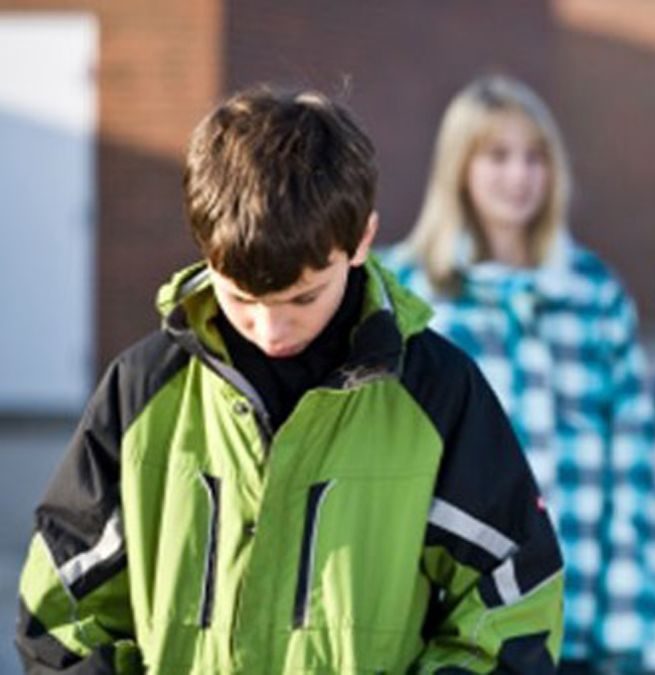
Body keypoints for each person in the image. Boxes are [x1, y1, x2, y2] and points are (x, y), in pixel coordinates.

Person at [15, 87, 565, 674]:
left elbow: (513, 604)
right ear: (206, 252)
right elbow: (62, 610)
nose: (272, 331)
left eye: (304, 296)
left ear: (362, 241)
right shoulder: (142, 389)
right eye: (242, 298)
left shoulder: (437, 392)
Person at [381, 75, 655, 674]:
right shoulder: (404, 295)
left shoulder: (595, 293)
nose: (520, 176)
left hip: (584, 614)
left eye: (535, 157)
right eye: (498, 155)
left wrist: (630, 628)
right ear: (459, 165)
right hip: (459, 625)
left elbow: (634, 468)